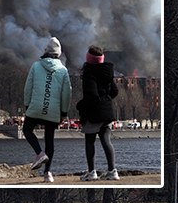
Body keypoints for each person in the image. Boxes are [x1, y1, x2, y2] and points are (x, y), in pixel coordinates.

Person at [23, 37, 72, 183]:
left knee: (27, 129)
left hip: (36, 108)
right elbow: (67, 94)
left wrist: (27, 106)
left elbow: (28, 88)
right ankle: (48, 173)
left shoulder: (35, 66)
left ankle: (39, 153)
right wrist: (63, 112)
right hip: (53, 111)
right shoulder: (63, 70)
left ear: (46, 51)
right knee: (49, 139)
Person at [77, 45, 120, 181]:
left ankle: (91, 172)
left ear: (89, 58)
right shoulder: (107, 72)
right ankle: (112, 171)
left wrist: (80, 106)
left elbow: (92, 96)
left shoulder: (89, 73)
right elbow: (114, 91)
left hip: (93, 113)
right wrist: (105, 100)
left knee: (90, 142)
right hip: (107, 112)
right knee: (106, 141)